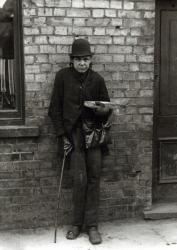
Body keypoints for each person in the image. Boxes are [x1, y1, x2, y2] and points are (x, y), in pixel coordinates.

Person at [48, 38, 111, 245]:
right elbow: (54, 110)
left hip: (93, 137)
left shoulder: (98, 80)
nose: (82, 63)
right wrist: (62, 135)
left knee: (93, 179)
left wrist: (101, 110)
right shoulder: (62, 77)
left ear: (90, 60)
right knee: (78, 180)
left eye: (86, 59)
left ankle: (92, 226)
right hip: (73, 136)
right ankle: (76, 224)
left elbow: (107, 110)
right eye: (78, 59)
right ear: (72, 60)